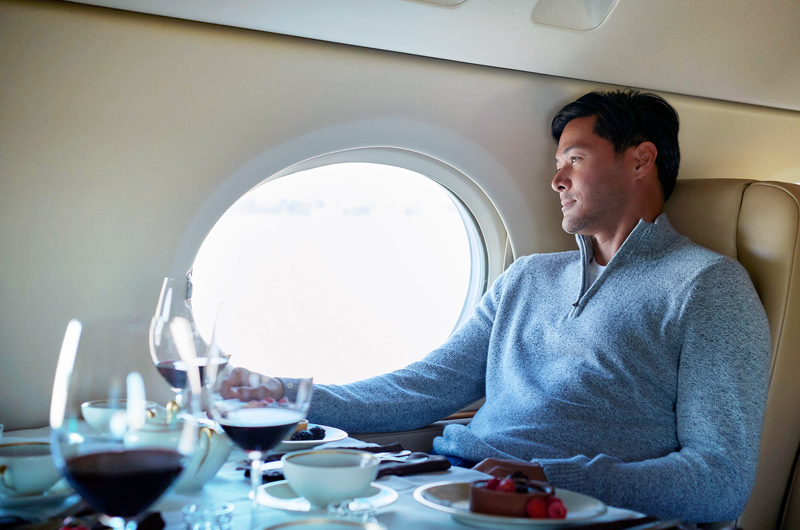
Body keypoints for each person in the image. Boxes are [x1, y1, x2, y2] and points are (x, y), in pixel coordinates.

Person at [220, 89, 770, 523]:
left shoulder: (707, 286)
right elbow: (423, 389)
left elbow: (718, 479)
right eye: (558, 163)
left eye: (575, 159)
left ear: (641, 160)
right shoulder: (528, 277)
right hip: (448, 480)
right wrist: (286, 396)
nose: (556, 180)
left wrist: (546, 477)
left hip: (557, 508)